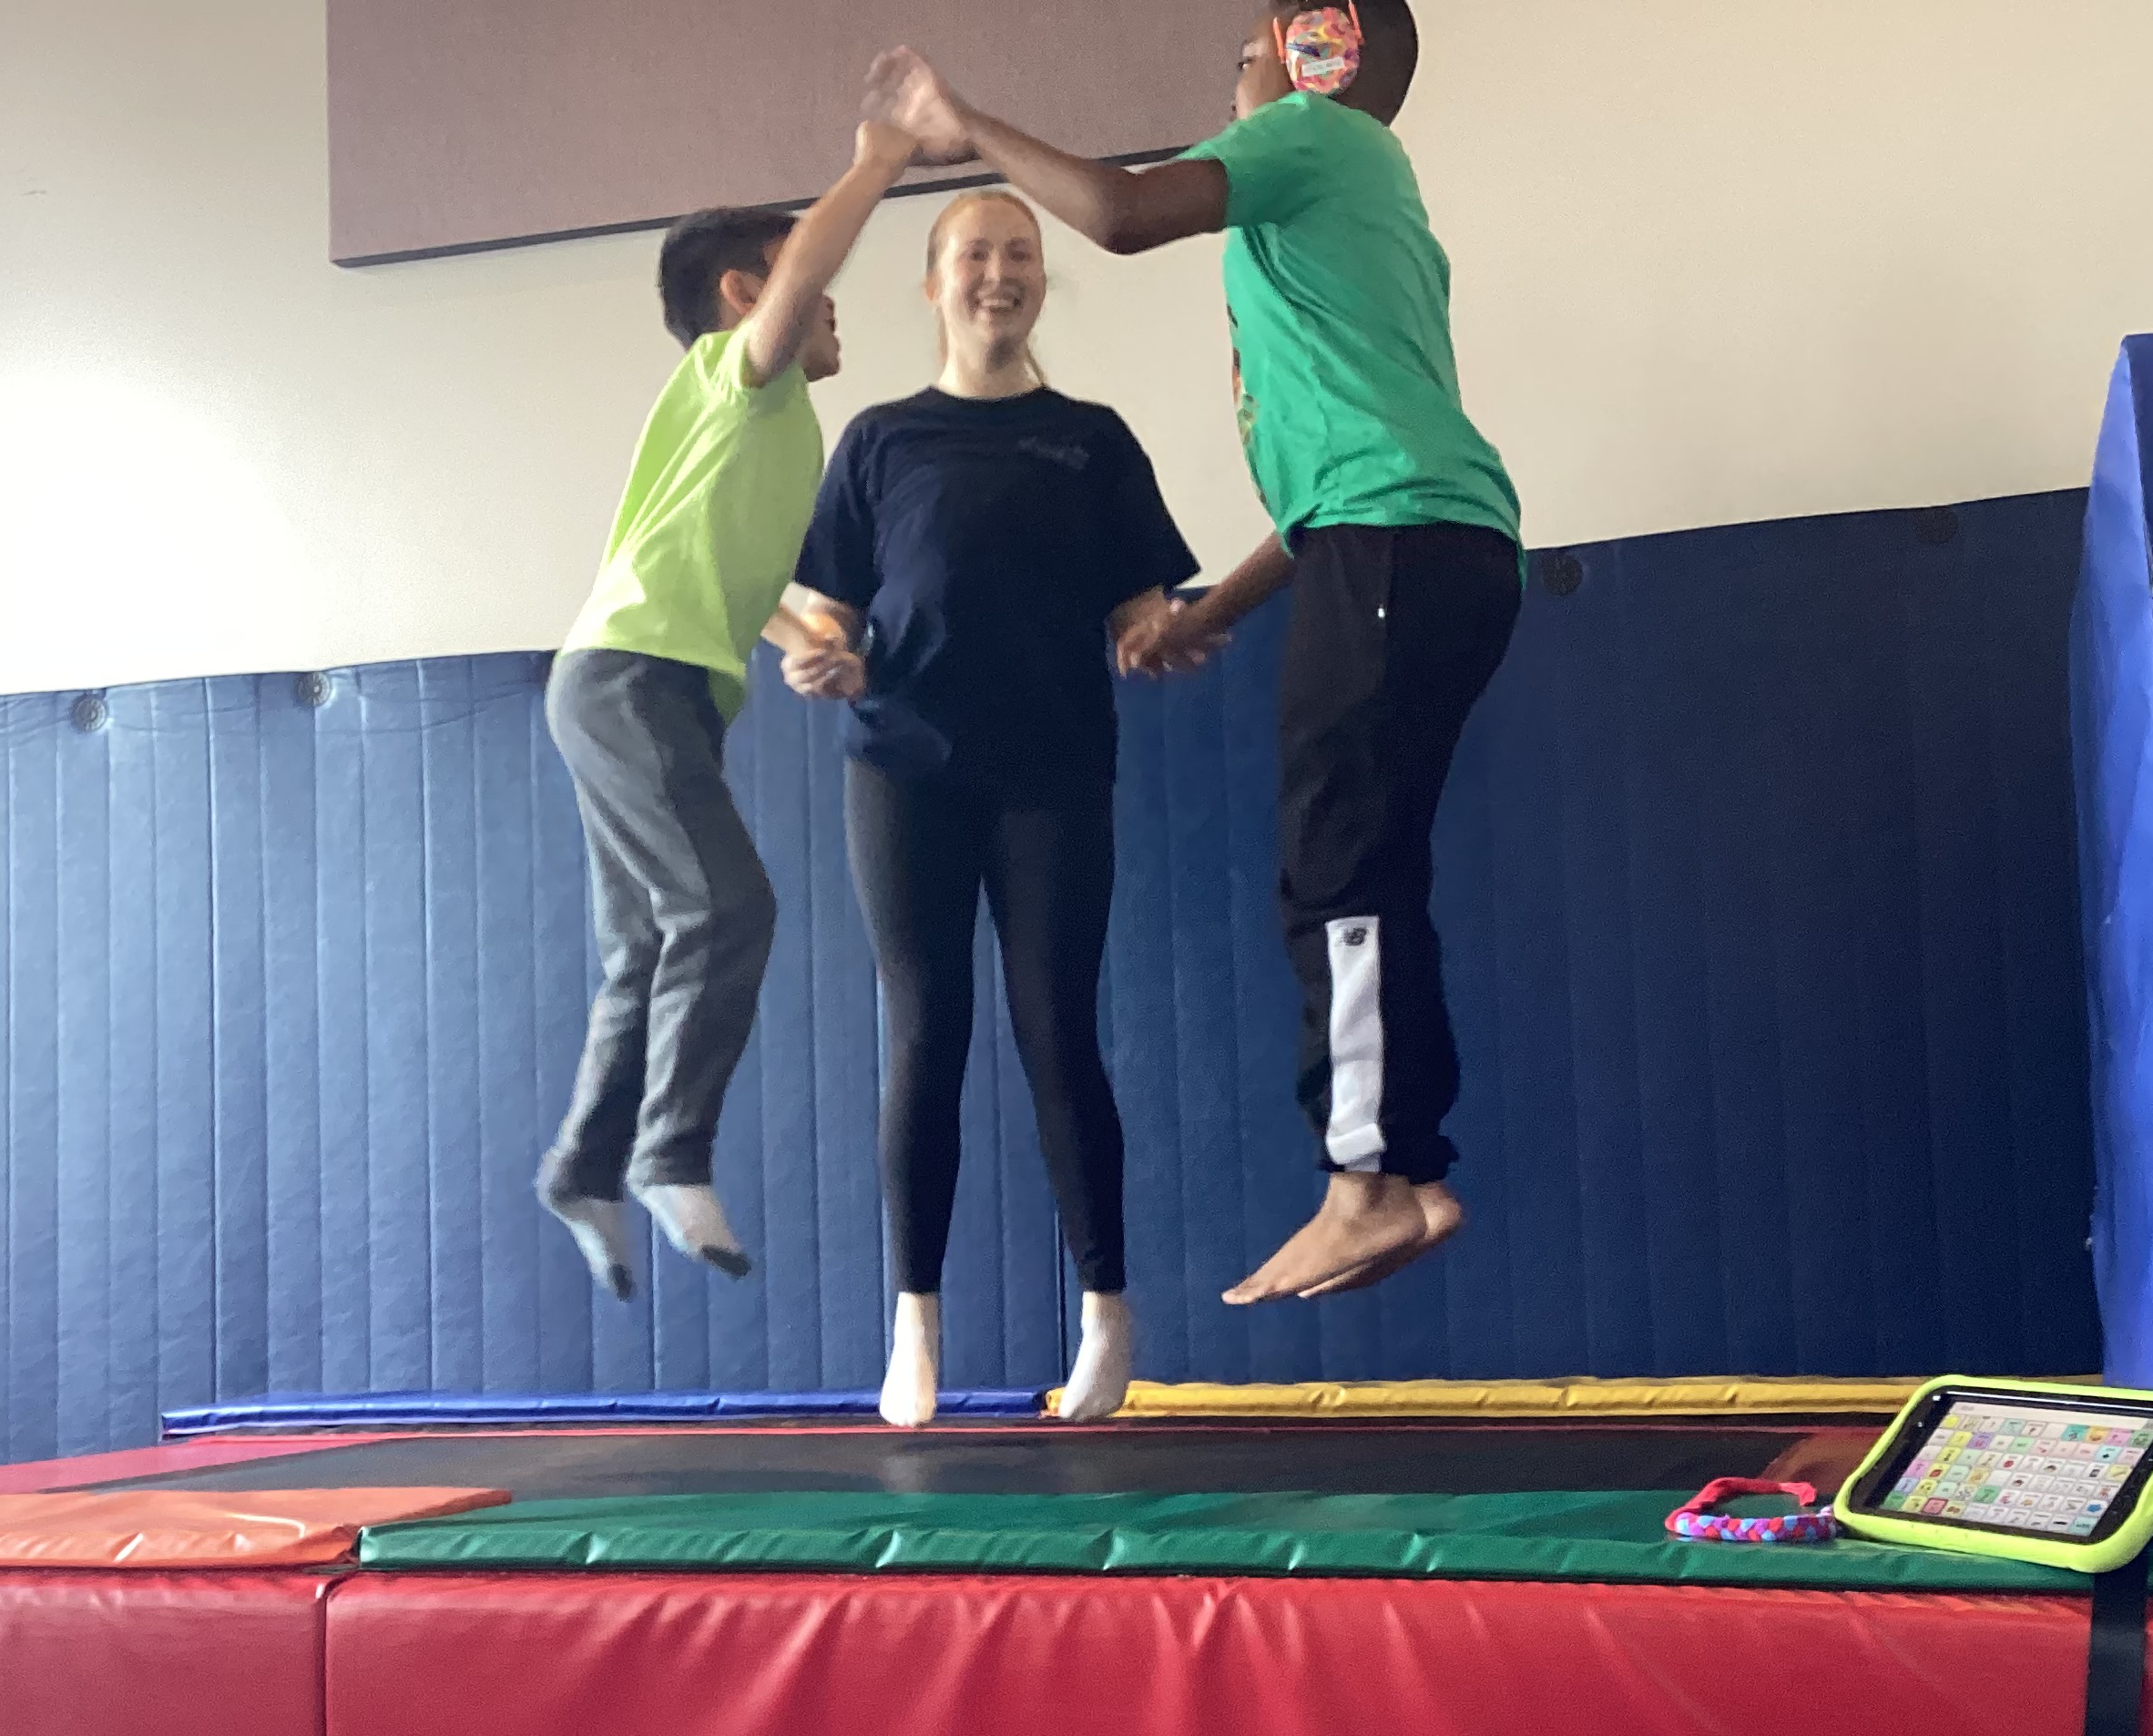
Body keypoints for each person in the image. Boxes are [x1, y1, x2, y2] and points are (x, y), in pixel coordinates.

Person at [863, 4, 1525, 1306]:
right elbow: (1335, 490)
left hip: (1394, 551)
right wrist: (1209, 612)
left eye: (1246, 58)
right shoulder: (1365, 197)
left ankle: (1367, 1183)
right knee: (1370, 869)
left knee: (1336, 866)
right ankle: (1403, 1169)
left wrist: (965, 126)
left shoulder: (1309, 133)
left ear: (1311, 58)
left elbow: (1119, 214)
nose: (1233, 86)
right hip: (1426, 548)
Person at [781, 189, 1206, 1425]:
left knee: (1056, 1030)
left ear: (1040, 283)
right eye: (975, 254)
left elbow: (1141, 607)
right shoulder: (880, 440)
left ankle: (1107, 1314)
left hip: (1053, 775)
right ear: (934, 284)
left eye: (1021, 254)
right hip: (903, 769)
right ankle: (915, 1320)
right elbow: (828, 615)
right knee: (926, 1032)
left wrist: (1163, 633)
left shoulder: (1091, 439)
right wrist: (817, 655)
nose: (999, 273)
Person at [536, 123, 917, 1298]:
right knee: (728, 905)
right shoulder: (738, 379)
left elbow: (742, 580)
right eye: (808, 282)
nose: (834, 305)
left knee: (645, 946)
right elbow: (808, 274)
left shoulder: (768, 431)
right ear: (750, 294)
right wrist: (879, 163)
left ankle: (584, 1165)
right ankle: (668, 1155)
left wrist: (814, 641)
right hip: (632, 679)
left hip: (637, 685)